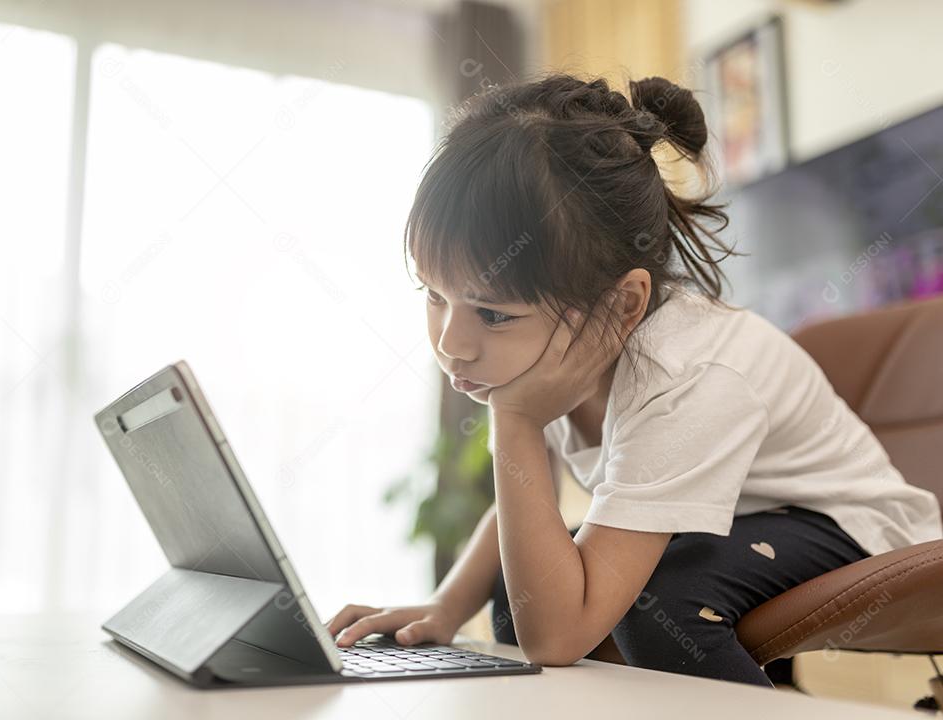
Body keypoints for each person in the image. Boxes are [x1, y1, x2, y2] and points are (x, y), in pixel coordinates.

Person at [325, 72, 943, 687]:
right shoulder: (568, 345)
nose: (450, 344)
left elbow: (558, 638)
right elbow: (525, 502)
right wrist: (447, 605)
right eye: (434, 295)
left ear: (622, 305)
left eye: (492, 313)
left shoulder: (685, 375)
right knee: (524, 595)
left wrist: (512, 420)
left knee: (661, 603)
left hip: (853, 529)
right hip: (737, 527)